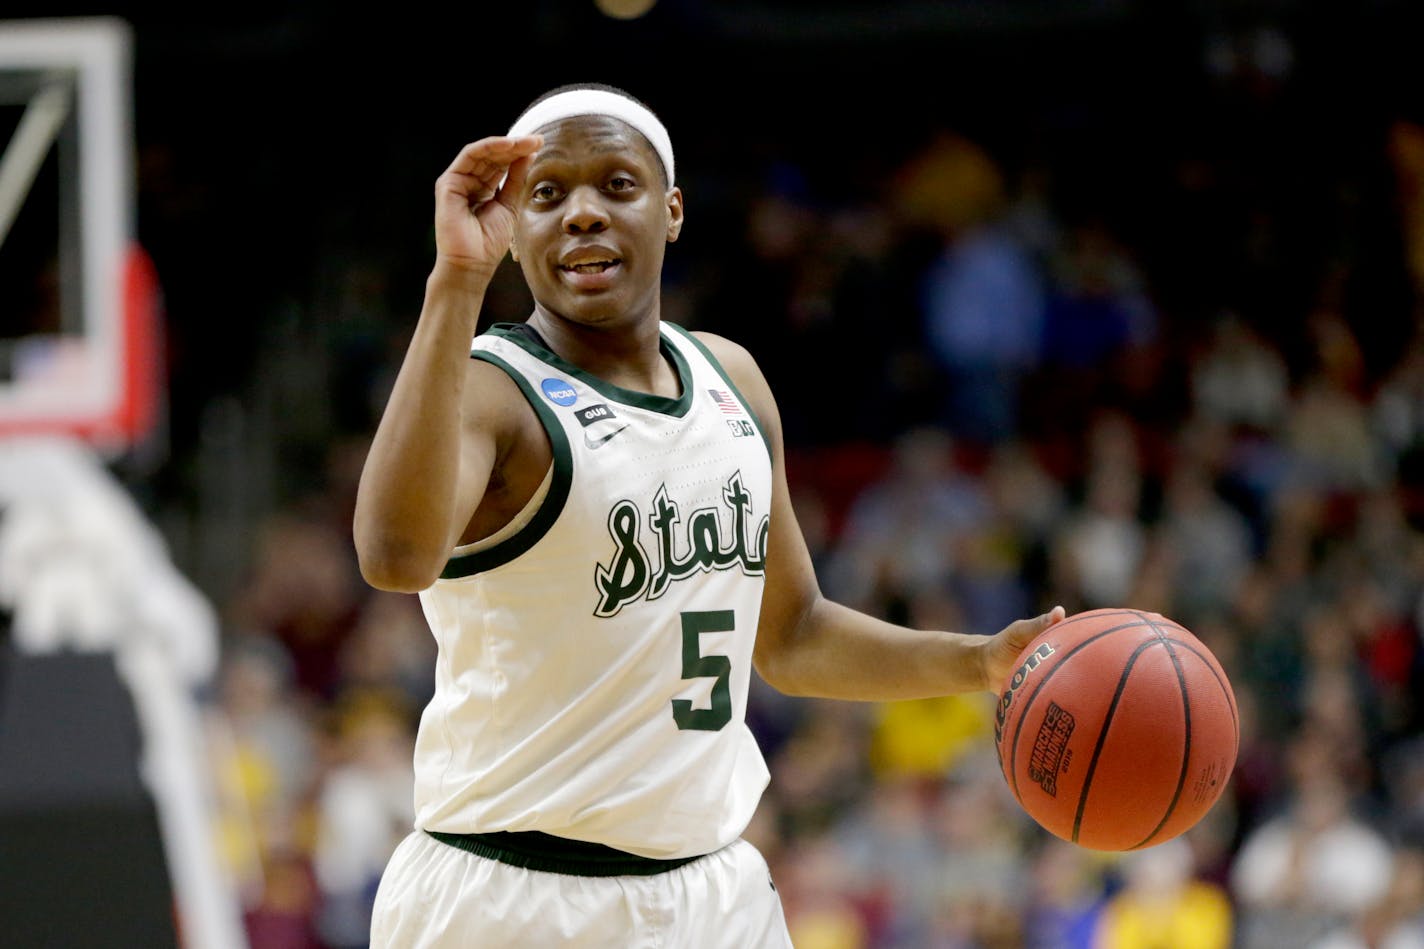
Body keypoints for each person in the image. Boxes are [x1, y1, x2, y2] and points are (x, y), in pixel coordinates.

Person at [352, 81, 1065, 948]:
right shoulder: (495, 392)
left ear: (673, 209)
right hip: (511, 895)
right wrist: (455, 280)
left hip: (709, 894)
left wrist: (981, 660)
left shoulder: (734, 381)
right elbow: (394, 555)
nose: (582, 212)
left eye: (617, 183)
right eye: (547, 194)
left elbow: (793, 635)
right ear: (515, 231)